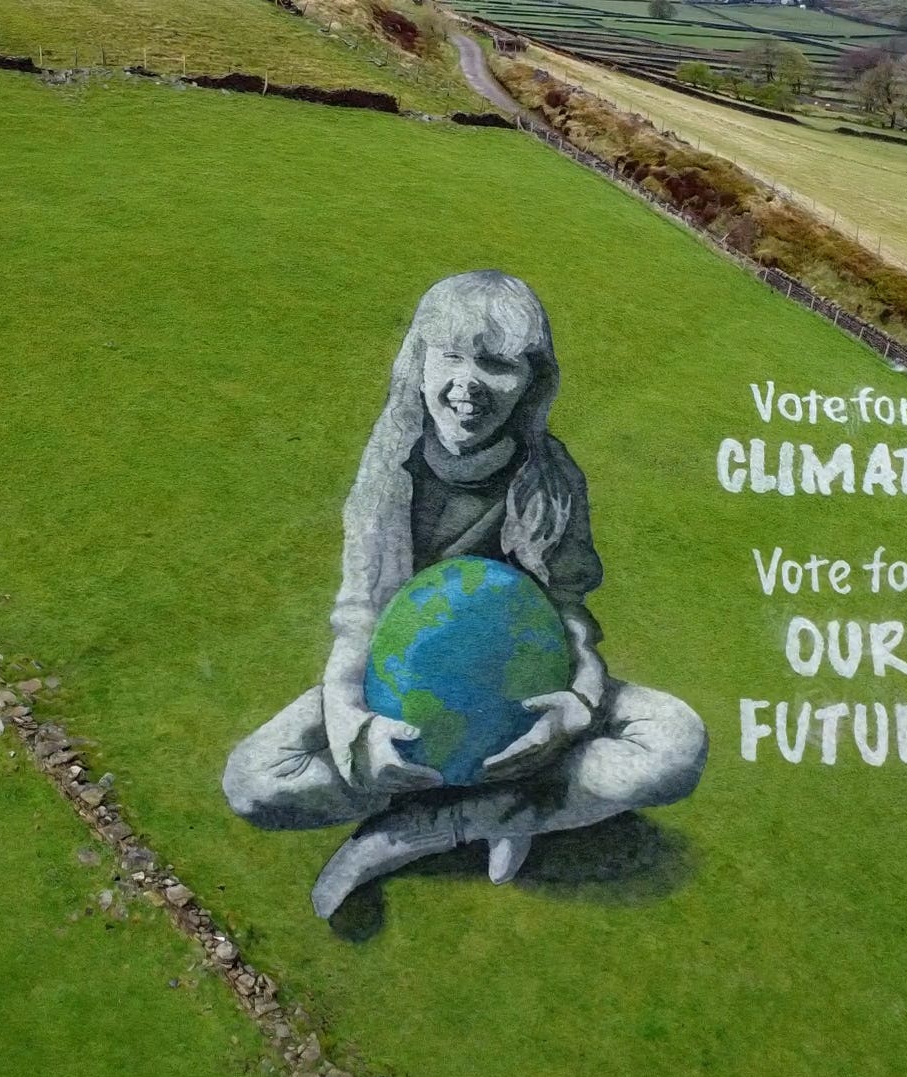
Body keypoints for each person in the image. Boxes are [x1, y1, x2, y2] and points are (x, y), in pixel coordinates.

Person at [222, 270, 707, 919]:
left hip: (519, 691)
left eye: (497, 364)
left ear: (531, 379)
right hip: (393, 685)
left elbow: (569, 620)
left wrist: (572, 708)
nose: (467, 386)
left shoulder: (552, 480)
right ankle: (500, 808)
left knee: (678, 741)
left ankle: (423, 831)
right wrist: (351, 727)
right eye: (449, 356)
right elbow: (359, 616)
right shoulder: (389, 467)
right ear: (418, 364)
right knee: (252, 780)